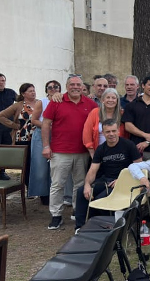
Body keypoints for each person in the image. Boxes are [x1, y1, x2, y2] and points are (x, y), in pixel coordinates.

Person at [42, 75, 97, 230]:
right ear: (66, 86)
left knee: (80, 184)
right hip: (60, 151)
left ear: (83, 87)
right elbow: (46, 124)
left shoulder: (90, 104)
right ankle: (56, 215)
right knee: (57, 184)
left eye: (78, 85)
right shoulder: (56, 101)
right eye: (72, 84)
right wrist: (46, 146)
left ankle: (77, 210)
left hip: (82, 151)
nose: (75, 87)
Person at [74, 119, 142, 232]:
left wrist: (122, 180)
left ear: (118, 131)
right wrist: (87, 185)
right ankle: (80, 227)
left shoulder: (128, 145)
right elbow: (93, 170)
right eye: (108, 132)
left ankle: (107, 228)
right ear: (103, 133)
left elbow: (139, 166)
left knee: (100, 198)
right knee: (82, 192)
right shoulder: (101, 148)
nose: (111, 134)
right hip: (106, 181)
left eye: (113, 131)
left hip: (124, 182)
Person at [0, 83, 39, 190]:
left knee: (38, 163)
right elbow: (0, 116)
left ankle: (39, 187)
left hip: (38, 137)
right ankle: (29, 188)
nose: (33, 93)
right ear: (23, 94)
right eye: (30, 91)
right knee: (27, 164)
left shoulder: (40, 103)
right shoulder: (18, 105)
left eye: (34, 90)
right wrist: (14, 125)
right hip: (23, 138)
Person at [30, 80, 61, 204]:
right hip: (41, 134)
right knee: (40, 166)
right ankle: (43, 194)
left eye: (56, 87)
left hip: (58, 135)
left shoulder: (63, 101)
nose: (53, 89)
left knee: (57, 166)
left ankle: (56, 193)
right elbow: (34, 120)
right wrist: (47, 125)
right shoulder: (41, 102)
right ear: (46, 90)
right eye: (50, 87)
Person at [82, 88, 126, 157]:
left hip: (119, 153)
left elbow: (126, 135)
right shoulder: (95, 112)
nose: (110, 100)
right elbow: (87, 133)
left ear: (117, 101)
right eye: (108, 97)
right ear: (103, 100)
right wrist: (92, 153)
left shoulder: (122, 114)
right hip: (99, 152)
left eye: (113, 98)